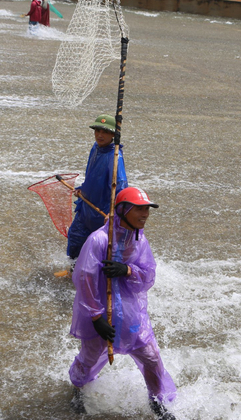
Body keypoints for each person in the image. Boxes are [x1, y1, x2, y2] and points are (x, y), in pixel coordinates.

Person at [68, 187, 177, 420]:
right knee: (89, 358)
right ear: (123, 210)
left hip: (131, 312)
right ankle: (77, 388)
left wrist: (127, 270)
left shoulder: (139, 238)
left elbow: (149, 275)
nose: (146, 213)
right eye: (140, 208)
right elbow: (84, 279)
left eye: (147, 208)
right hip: (100, 312)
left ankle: (157, 401)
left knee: (151, 356)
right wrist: (96, 318)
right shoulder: (99, 239)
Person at [66, 115, 128, 260]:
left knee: (102, 249)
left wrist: (114, 212)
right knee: (75, 238)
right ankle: (74, 270)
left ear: (113, 135)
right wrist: (83, 188)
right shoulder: (95, 148)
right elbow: (92, 175)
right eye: (97, 130)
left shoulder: (115, 157)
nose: (100, 135)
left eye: (105, 132)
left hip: (102, 213)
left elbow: (121, 187)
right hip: (86, 207)